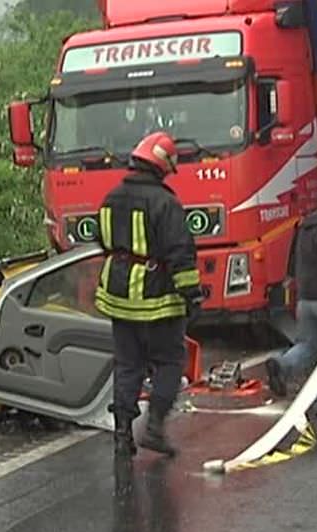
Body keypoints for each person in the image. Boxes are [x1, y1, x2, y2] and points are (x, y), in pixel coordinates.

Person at [95, 131, 204, 458]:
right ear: (162, 164)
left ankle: (122, 434)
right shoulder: (165, 202)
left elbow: (104, 242)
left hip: (117, 296)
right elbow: (179, 253)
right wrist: (192, 296)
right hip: (157, 298)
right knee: (170, 361)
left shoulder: (111, 198)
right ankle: (155, 427)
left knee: (128, 365)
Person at [266, 187, 317, 416]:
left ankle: (283, 365)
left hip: (306, 299)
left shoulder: (303, 227)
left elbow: (292, 261)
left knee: (310, 345)